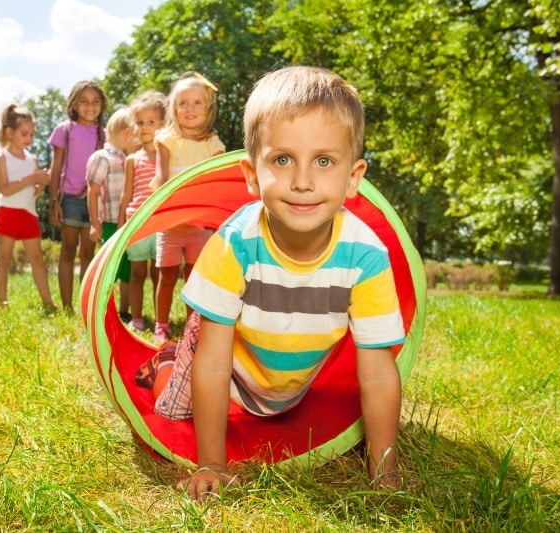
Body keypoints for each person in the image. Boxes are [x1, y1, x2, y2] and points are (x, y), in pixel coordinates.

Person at [137, 66, 405, 501]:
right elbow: (212, 362)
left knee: (277, 406)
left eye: (324, 161)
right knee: (175, 402)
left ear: (354, 177)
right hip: (223, 365)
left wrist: (385, 474)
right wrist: (211, 465)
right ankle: (166, 361)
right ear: (250, 173)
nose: (302, 181)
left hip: (286, 384)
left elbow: (376, 372)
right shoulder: (236, 243)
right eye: (282, 159)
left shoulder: (366, 256)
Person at [152, 72, 225, 344]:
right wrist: (165, 212)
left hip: (199, 224)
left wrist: (210, 217)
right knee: (167, 274)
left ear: (208, 109)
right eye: (183, 103)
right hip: (171, 222)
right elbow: (162, 180)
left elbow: (215, 184)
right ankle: (161, 324)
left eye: (197, 103)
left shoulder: (212, 144)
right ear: (173, 108)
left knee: (194, 278)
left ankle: (191, 327)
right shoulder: (167, 140)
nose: (190, 108)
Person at [48, 80, 108, 310]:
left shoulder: (104, 135)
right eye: (84, 101)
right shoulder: (65, 130)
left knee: (87, 253)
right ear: (74, 103)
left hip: (94, 201)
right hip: (69, 199)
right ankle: (66, 305)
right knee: (68, 249)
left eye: (95, 102)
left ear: (102, 105)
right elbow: (56, 168)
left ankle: (85, 306)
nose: (89, 106)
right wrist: (54, 201)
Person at [0, 103, 56, 311]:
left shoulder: (33, 160)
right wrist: (31, 178)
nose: (29, 139)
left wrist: (40, 185)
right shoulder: (2, 157)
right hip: (8, 212)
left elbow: (34, 192)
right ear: (10, 132)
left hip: (28, 213)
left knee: (37, 259)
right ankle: (3, 303)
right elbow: (5, 189)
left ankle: (48, 303)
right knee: (4, 258)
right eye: (24, 134)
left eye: (31, 134)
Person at [118, 90, 167, 332]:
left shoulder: (166, 155)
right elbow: (126, 195)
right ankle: (136, 318)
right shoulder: (132, 160)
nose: (145, 127)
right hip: (137, 223)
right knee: (137, 273)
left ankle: (161, 321)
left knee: (159, 275)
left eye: (151, 122)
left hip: (161, 223)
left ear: (163, 124)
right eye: (139, 123)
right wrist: (121, 227)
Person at [86, 106, 141, 321]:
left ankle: (124, 310)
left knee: (127, 267)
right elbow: (93, 191)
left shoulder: (133, 160)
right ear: (127, 133)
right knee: (109, 269)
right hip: (109, 222)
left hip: (129, 223)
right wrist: (94, 223)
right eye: (136, 135)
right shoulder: (102, 157)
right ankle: (101, 309)